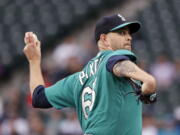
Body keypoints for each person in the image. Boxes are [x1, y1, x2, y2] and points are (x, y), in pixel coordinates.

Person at [23, 14, 157, 135]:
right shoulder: (113, 57)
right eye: (121, 33)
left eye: (129, 34)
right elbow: (118, 65)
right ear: (104, 39)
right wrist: (147, 79)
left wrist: (34, 61)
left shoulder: (76, 80)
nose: (129, 37)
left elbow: (38, 97)